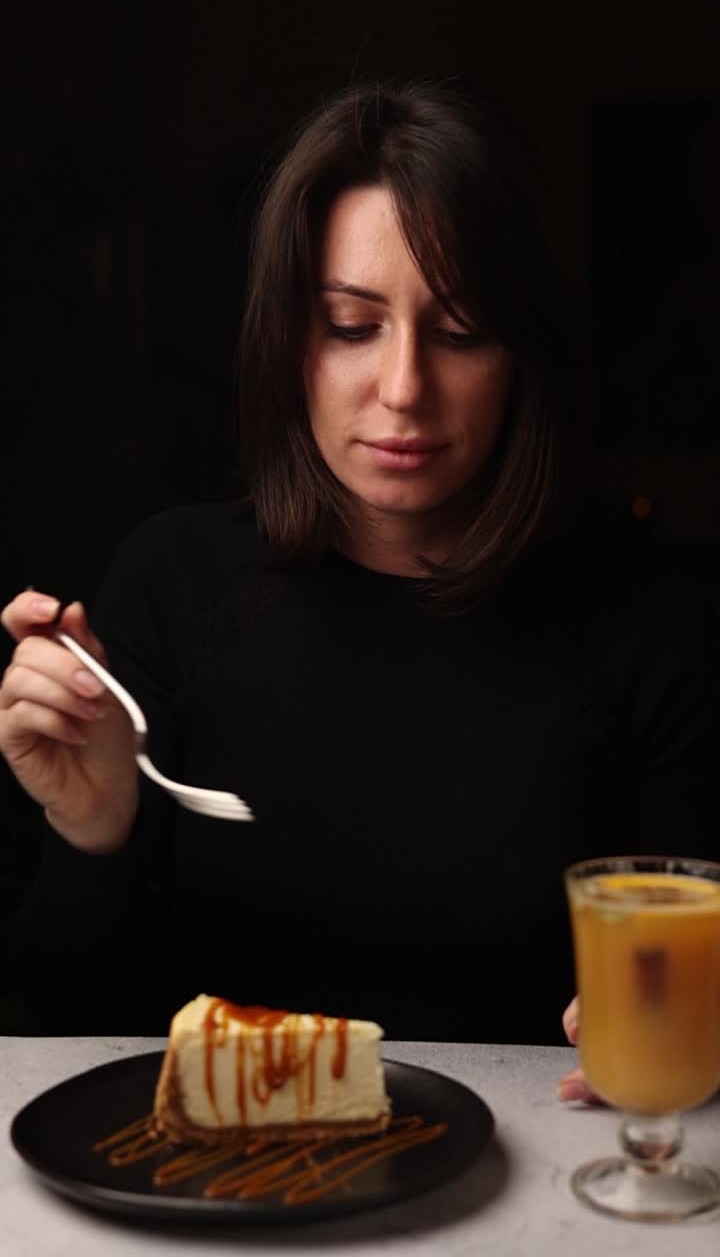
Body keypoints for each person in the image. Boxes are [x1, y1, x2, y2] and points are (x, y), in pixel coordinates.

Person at [1, 84, 717, 1100]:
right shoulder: (172, 586)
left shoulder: (652, 627)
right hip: (229, 1203)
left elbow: (686, 1001)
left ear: (522, 356)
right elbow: (74, 1027)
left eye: (461, 329)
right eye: (350, 325)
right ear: (289, 340)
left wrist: (669, 1016)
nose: (403, 387)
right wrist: (95, 831)